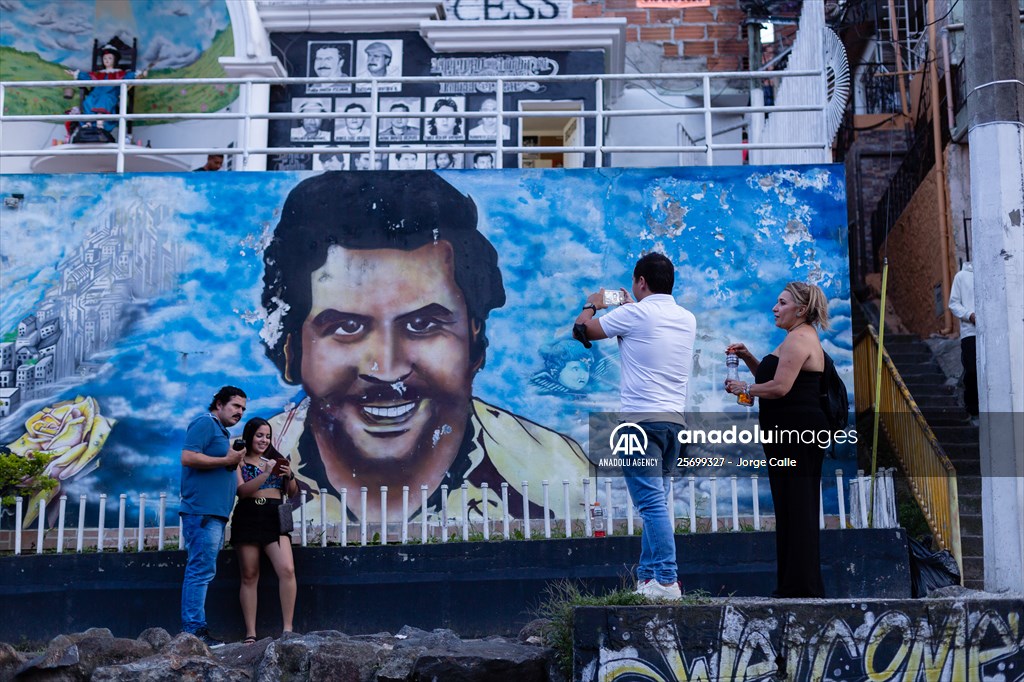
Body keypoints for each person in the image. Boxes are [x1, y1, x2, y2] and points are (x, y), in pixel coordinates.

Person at [260, 172, 588, 524]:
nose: (387, 369)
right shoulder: (248, 479)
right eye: (347, 327)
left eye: (423, 325)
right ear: (291, 349)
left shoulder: (561, 479)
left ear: (474, 340)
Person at [573, 253, 696, 601]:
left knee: (650, 505)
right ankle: (648, 579)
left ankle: (668, 580)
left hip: (640, 424)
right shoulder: (687, 318)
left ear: (641, 282)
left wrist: (593, 304)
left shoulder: (634, 313)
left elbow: (582, 330)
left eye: (634, 282)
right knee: (657, 502)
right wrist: (628, 308)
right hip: (674, 424)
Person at [724, 281, 830, 598]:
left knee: (797, 505)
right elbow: (774, 378)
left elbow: (781, 388)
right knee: (788, 506)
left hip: (798, 435)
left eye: (782, 303)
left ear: (800, 308)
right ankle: (791, 584)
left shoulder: (800, 338)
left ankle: (802, 587)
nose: (775, 308)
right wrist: (749, 358)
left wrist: (744, 388)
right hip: (786, 434)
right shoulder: (793, 339)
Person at [179, 386, 247, 648]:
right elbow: (187, 457)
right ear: (219, 404)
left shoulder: (221, 431)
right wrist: (226, 459)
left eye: (243, 408)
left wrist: (231, 460)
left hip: (213, 514)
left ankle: (195, 629)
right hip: (202, 512)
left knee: (204, 570)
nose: (240, 412)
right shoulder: (205, 423)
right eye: (235, 406)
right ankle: (194, 631)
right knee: (200, 571)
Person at [231, 417, 299, 643]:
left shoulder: (275, 460)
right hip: (249, 515)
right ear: (249, 436)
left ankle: (287, 629)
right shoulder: (239, 461)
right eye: (259, 435)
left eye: (267, 436)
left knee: (287, 569)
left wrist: (288, 475)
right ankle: (250, 632)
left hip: (274, 516)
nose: (264, 440)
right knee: (249, 574)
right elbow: (242, 491)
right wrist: (266, 474)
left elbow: (292, 492)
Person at [64, 44, 147, 140]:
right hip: (96, 94)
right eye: (105, 58)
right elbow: (88, 77)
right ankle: (89, 123)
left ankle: (100, 121)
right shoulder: (99, 73)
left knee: (105, 99)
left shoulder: (119, 73)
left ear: (115, 60)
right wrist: (75, 74)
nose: (107, 60)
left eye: (110, 58)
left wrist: (140, 74)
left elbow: (130, 76)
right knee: (89, 100)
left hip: (111, 94)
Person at [948, 262, 978, 422]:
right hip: (970, 332)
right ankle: (972, 408)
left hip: (992, 333)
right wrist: (969, 315)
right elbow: (953, 303)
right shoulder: (961, 276)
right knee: (972, 370)